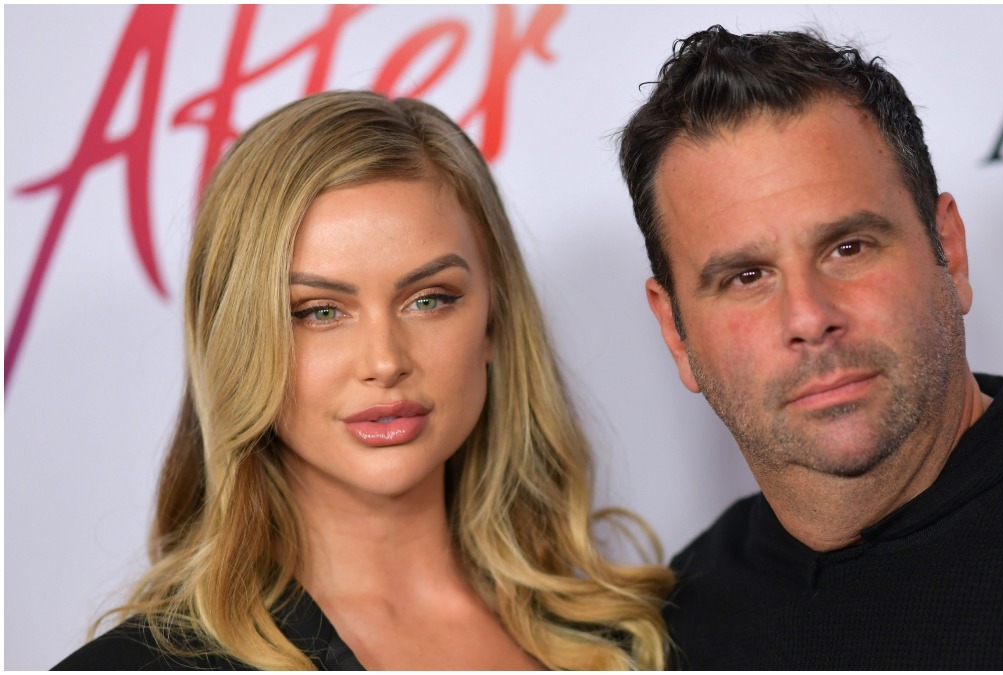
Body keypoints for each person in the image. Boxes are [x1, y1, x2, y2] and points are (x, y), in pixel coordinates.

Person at [617, 25, 1003, 670]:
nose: (809, 317)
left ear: (950, 250)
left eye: (848, 248)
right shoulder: (673, 632)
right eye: (746, 277)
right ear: (675, 331)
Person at [55, 90, 672, 670]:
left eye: (429, 299)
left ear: (494, 320)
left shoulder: (632, 640)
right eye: (319, 312)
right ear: (238, 341)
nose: (384, 360)